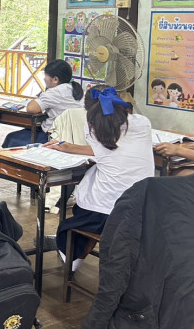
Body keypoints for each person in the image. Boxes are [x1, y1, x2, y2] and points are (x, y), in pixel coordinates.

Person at [43, 85, 154, 271]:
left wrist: (69, 148)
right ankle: (75, 256)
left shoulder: (93, 128)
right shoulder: (143, 123)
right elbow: (111, 149)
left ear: (88, 110)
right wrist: (70, 147)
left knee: (80, 217)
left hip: (104, 214)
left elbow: (104, 149)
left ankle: (71, 258)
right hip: (142, 210)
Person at [2, 59, 83, 148]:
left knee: (11, 138)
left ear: (55, 79)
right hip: (77, 138)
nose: (44, 79)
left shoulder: (54, 92)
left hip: (53, 138)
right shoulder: (78, 90)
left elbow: (31, 108)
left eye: (46, 76)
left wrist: (40, 97)